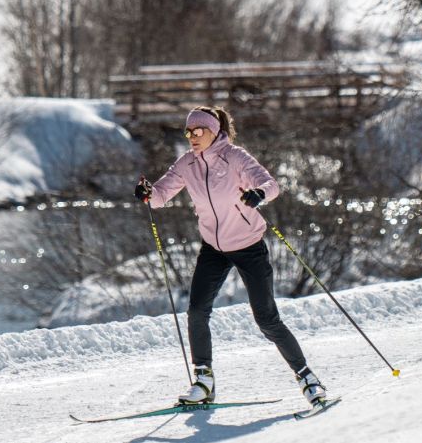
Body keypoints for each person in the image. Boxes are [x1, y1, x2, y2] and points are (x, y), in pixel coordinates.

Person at [134, 106, 328, 408]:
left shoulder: (235, 156)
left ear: (214, 131)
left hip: (248, 245)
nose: (193, 137)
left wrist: (259, 194)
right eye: (189, 132)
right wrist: (147, 193)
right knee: (197, 311)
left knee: (267, 319)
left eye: (199, 131)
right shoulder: (187, 163)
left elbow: (271, 184)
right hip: (213, 247)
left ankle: (308, 379)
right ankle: (203, 381)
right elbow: (160, 196)